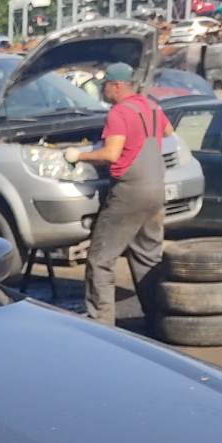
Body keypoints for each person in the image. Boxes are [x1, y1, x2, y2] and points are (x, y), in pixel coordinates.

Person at [64, 62, 174, 327]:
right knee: (147, 257)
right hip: (156, 189)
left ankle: (101, 324)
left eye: (104, 85)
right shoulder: (152, 107)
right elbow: (169, 133)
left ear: (116, 86)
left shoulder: (118, 113)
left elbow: (111, 154)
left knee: (100, 259)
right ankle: (157, 320)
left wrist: (79, 155)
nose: (102, 90)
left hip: (129, 192)